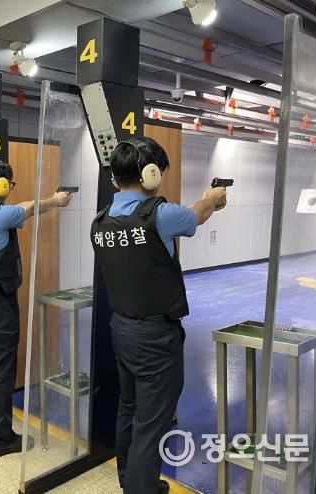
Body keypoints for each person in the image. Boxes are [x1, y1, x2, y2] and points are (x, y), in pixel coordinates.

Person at [91, 137, 227, 494]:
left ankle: (132, 480)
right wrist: (212, 198)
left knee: (129, 407)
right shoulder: (159, 214)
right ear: (150, 173)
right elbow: (197, 213)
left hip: (122, 329)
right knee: (152, 423)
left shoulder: (100, 221)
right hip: (155, 335)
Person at [0, 156, 72, 457]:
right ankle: (2, 437)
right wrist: (56, 200)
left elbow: (20, 206)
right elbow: (30, 207)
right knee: (1, 369)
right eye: (8, 183)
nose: (10, 188)